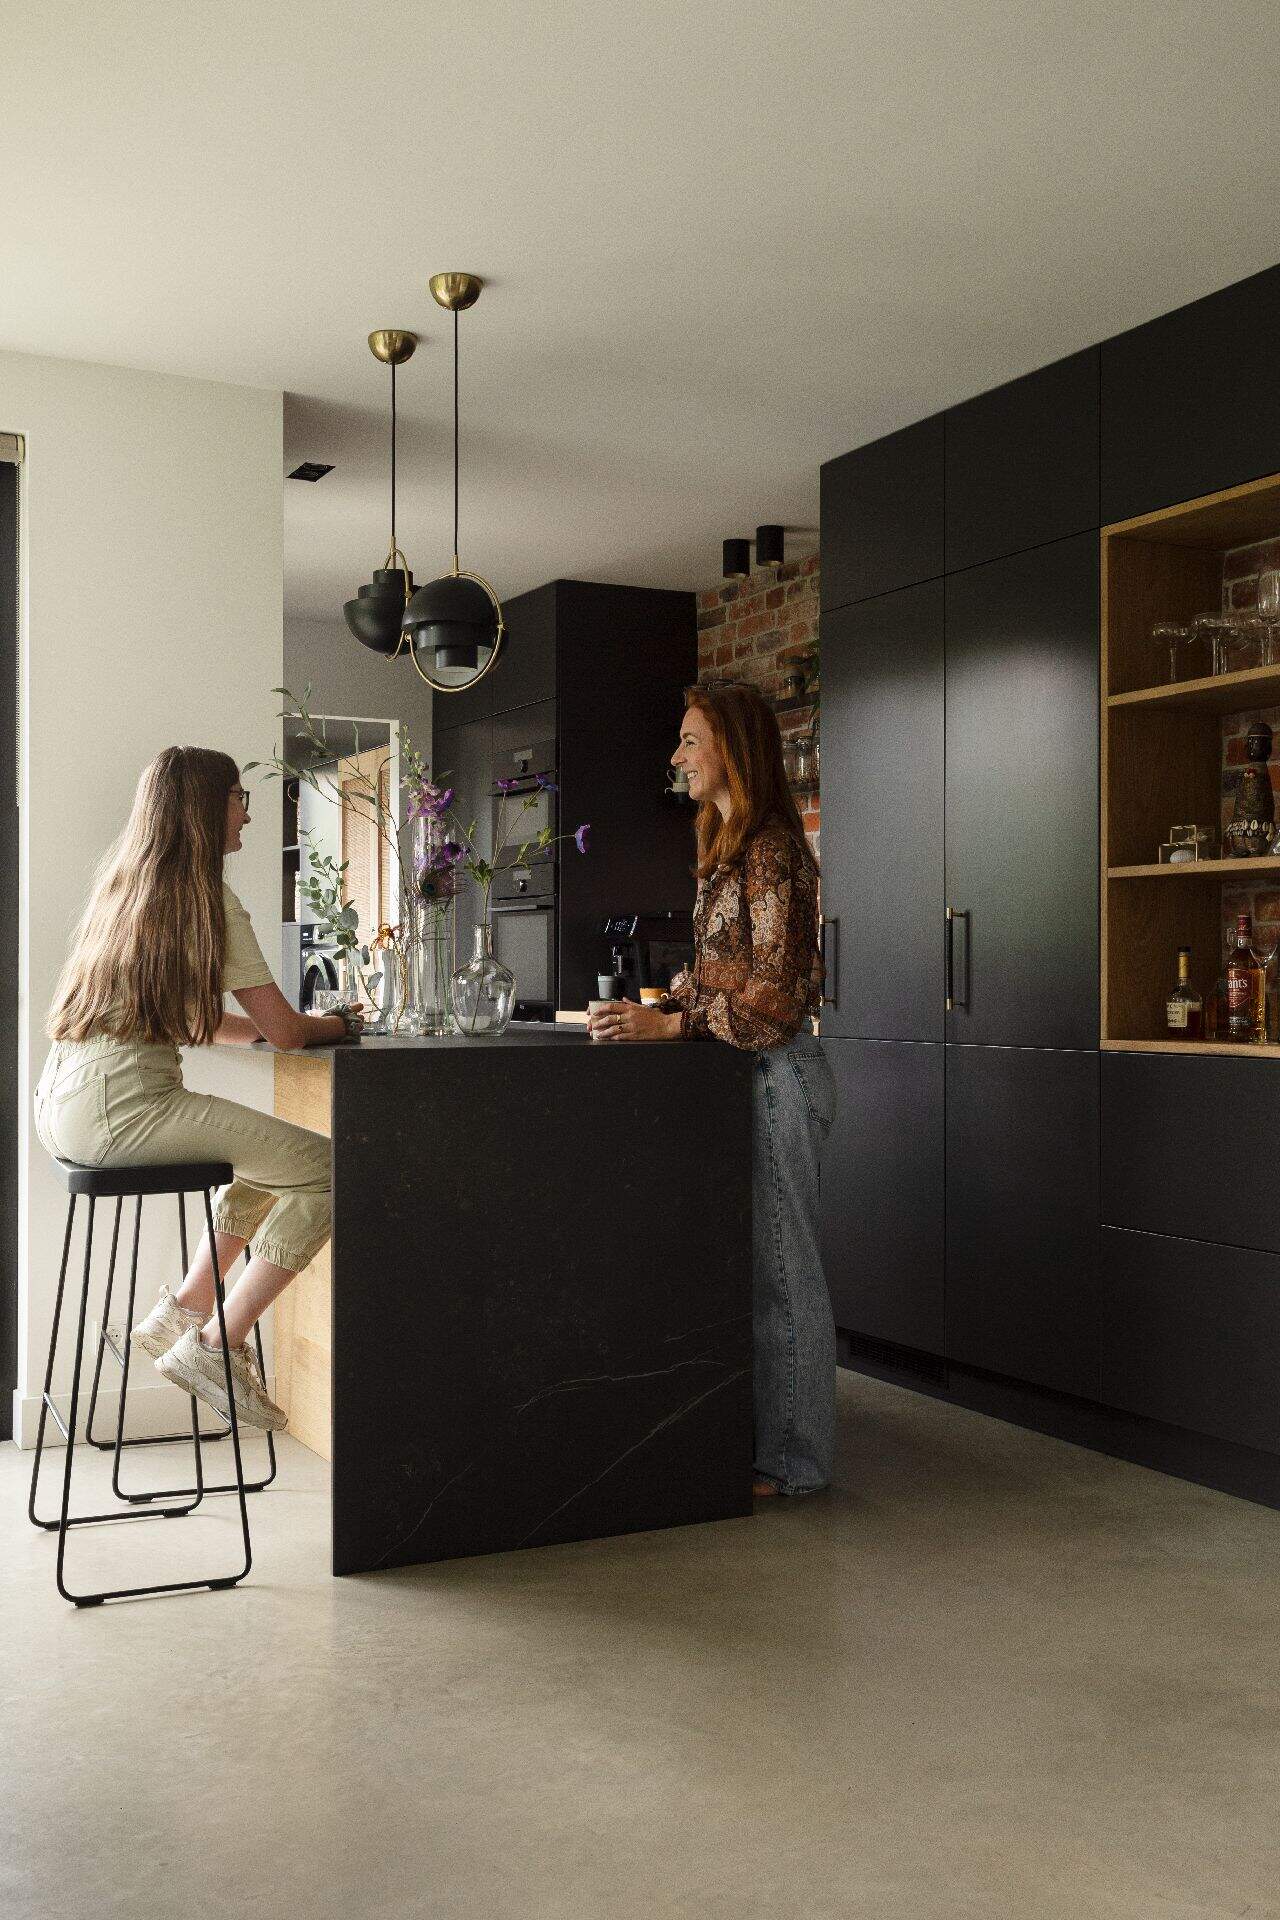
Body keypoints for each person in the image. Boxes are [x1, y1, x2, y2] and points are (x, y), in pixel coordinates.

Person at [34, 746, 362, 1433]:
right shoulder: (208, 894)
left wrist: (268, 1033)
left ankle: (184, 1308)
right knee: (333, 1172)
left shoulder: (128, 883)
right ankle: (215, 1344)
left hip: (65, 1107)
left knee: (278, 1159)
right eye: (238, 797)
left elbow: (189, 1017)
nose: (246, 810)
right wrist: (340, 1021)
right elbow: (292, 1032)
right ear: (206, 810)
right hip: (125, 1112)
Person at [588, 681, 836, 1497]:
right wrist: (664, 1005)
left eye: (690, 741)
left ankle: (795, 1466)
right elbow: (727, 975)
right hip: (746, 1079)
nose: (676, 756)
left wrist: (672, 1026)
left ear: (731, 747)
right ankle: (770, 1448)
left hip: (778, 1078)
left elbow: (775, 1002)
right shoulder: (727, 842)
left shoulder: (770, 848)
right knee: (758, 1271)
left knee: (782, 1272)